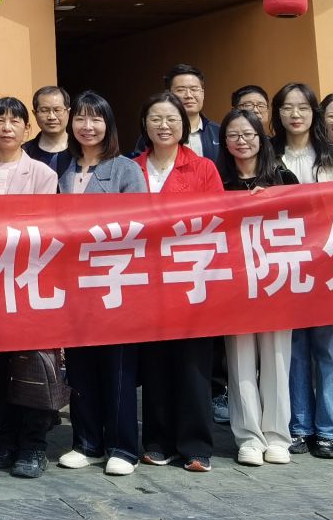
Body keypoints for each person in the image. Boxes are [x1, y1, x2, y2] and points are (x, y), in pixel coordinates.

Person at [56, 90, 145, 476]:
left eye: (96, 119)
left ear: (108, 125)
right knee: (81, 365)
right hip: (73, 282)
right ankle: (87, 442)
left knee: (117, 365)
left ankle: (122, 447)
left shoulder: (126, 170)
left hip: (114, 279)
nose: (87, 126)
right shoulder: (62, 168)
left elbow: (139, 226)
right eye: (80, 118)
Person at [135, 91, 224, 472]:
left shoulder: (203, 168)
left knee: (193, 364)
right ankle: (158, 441)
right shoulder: (132, 168)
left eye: (171, 119)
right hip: (145, 280)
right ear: (144, 124)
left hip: (191, 276)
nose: (164, 125)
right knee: (155, 364)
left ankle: (196, 445)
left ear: (183, 125)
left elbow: (219, 218)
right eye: (155, 118)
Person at [272, 83, 333, 460]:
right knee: (293, 349)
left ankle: (328, 429)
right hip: (285, 265)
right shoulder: (270, 154)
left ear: (314, 113)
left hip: (329, 264)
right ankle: (299, 425)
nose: (295, 115)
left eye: (303, 108)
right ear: (277, 114)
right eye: (287, 108)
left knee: (328, 349)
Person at [0, 98, 62, 478]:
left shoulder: (43, 173)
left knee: (33, 362)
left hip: (30, 277)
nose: (7, 127)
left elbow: (44, 224)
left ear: (27, 129)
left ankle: (33, 444)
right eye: (0, 120)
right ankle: (6, 438)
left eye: (15, 121)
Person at [218, 108, 299, 466]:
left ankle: (278, 436)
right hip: (233, 285)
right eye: (233, 135)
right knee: (240, 362)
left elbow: (306, 222)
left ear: (261, 138)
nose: (242, 141)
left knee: (277, 359)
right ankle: (249, 437)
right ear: (224, 142)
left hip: (276, 282)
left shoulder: (283, 176)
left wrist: (275, 202)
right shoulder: (217, 181)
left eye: (248, 134)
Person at [134, 65, 222, 161]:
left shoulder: (218, 132)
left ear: (203, 93)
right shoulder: (155, 134)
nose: (188, 95)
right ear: (168, 94)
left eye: (194, 89)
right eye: (181, 90)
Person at [26, 86, 73, 174]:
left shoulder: (82, 149)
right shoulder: (24, 153)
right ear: (35, 114)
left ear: (68, 112)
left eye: (57, 110)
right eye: (44, 110)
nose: (52, 117)